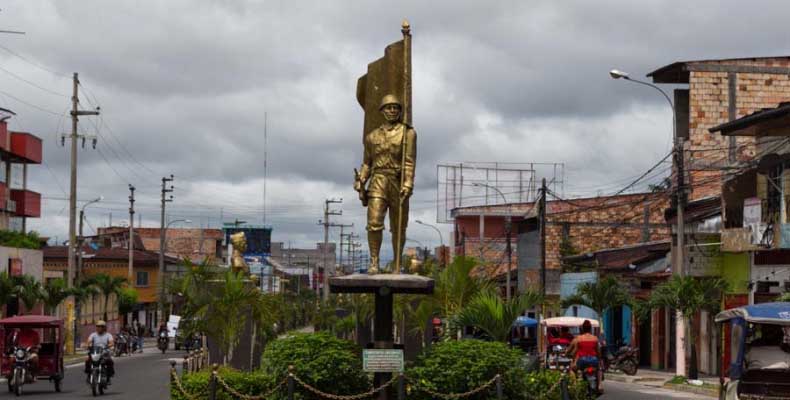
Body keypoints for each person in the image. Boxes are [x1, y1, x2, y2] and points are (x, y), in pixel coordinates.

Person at [354, 94, 417, 273]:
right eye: (388, 107)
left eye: (396, 107)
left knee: (398, 227)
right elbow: (367, 163)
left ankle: (397, 262)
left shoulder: (408, 133)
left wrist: (408, 183)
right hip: (378, 181)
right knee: (374, 223)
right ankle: (374, 262)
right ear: (382, 111)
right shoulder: (372, 136)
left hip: (397, 182)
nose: (392, 111)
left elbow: (410, 161)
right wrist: (361, 180)